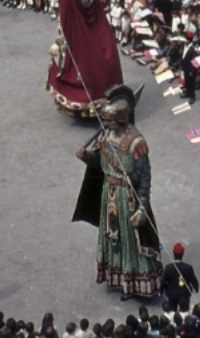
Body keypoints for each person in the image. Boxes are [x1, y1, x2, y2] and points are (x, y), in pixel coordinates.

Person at [73, 85, 162, 300]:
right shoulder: (104, 137)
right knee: (113, 237)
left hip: (128, 199)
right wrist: (85, 156)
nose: (106, 124)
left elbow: (145, 178)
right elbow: (98, 163)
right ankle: (116, 277)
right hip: (109, 194)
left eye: (110, 120)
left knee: (131, 240)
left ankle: (134, 282)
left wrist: (142, 207)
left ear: (121, 119)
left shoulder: (136, 143)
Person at [47, 0, 124, 116]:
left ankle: (81, 104)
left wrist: (58, 41)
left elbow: (65, 22)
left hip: (78, 35)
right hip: (95, 31)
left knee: (74, 65)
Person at [160, 243, 199, 311]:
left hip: (172, 293)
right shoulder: (188, 268)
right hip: (184, 293)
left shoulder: (168, 268)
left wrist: (161, 291)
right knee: (184, 311)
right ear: (182, 254)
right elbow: (193, 280)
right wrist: (196, 288)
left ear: (173, 254)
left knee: (172, 310)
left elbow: (163, 281)